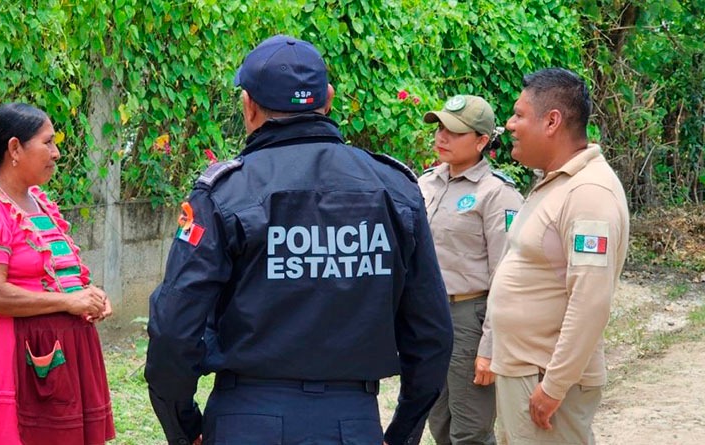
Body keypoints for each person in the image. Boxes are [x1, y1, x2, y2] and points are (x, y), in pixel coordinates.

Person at [144, 34, 453, 445]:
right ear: (328, 99)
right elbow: (431, 334)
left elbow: (173, 329)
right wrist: (402, 433)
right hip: (352, 423)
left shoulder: (223, 193)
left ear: (248, 106)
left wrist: (183, 426)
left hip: (245, 419)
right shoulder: (394, 189)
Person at [0, 103, 116, 444]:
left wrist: (89, 296)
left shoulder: (38, 202)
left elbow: (58, 274)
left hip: (56, 354)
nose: (56, 153)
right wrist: (68, 301)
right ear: (14, 148)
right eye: (48, 142)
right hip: (8, 356)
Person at [484, 68, 630, 444]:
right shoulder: (555, 183)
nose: (510, 124)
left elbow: (591, 300)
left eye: (518, 114)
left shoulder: (589, 193)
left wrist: (554, 385)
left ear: (552, 121)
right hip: (525, 371)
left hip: (544, 379)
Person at [418, 95, 524, 445]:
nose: (441, 137)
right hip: (430, 316)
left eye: (454, 131)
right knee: (438, 422)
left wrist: (489, 347)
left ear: (481, 141)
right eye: (440, 128)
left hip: (470, 316)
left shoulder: (497, 194)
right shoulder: (426, 183)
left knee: (470, 430)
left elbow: (506, 277)